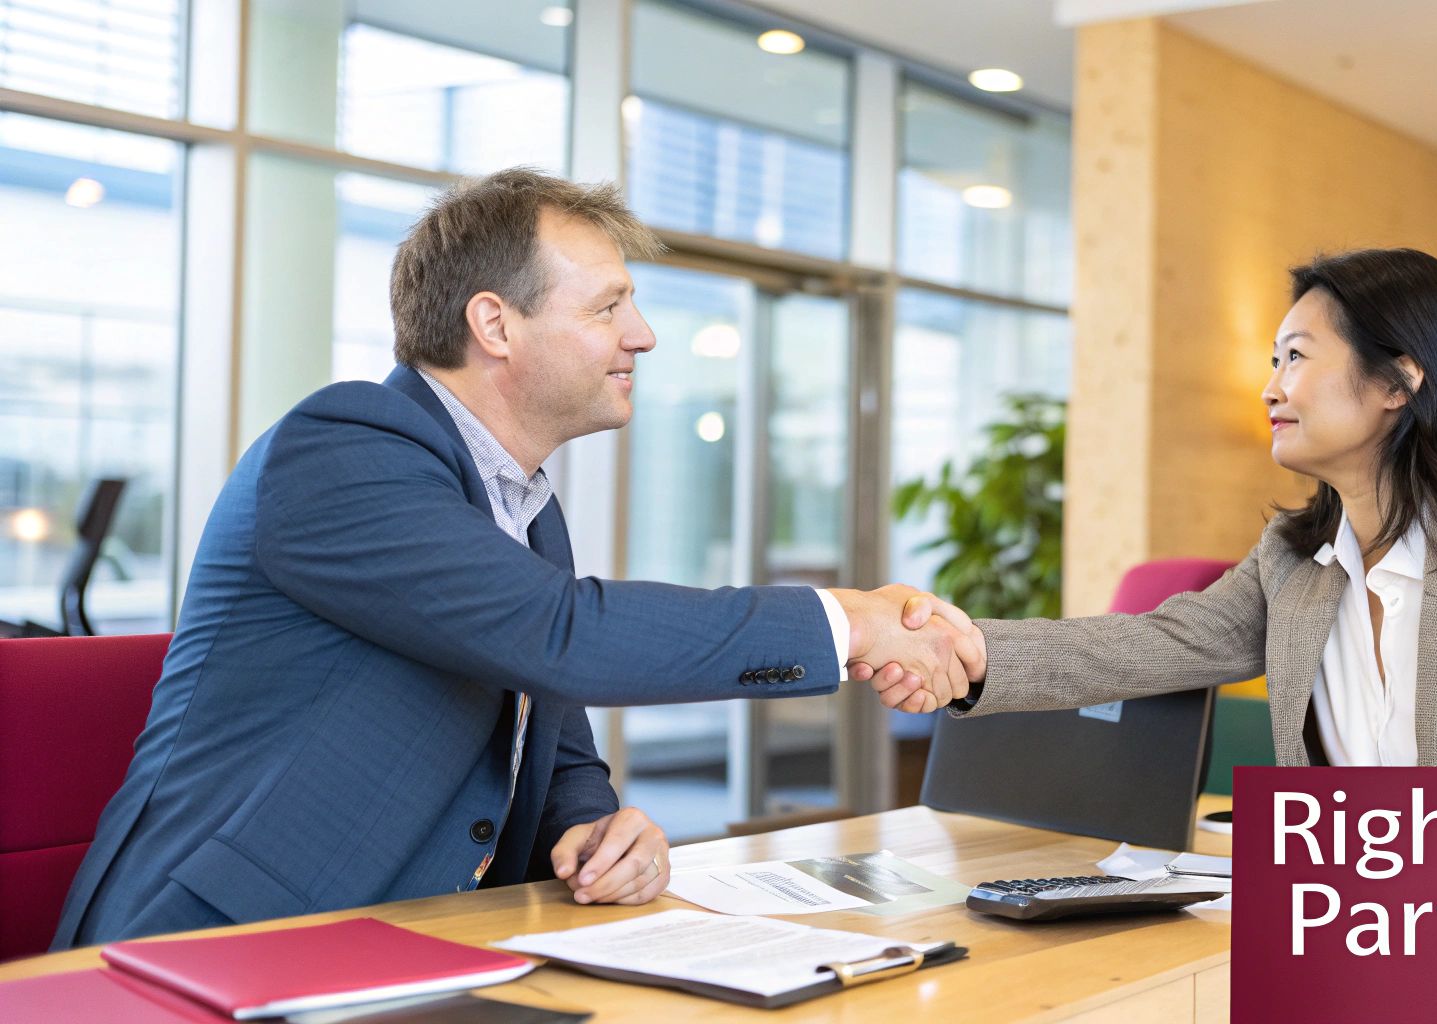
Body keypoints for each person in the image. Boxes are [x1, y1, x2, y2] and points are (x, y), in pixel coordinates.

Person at [55, 169, 970, 948]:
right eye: (608, 306)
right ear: (494, 324)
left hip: (425, 942)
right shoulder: (341, 449)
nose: (643, 334)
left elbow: (553, 738)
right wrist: (849, 621)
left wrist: (596, 829)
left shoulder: (525, 508)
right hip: (221, 943)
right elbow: (559, 635)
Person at [862, 248, 1437, 769]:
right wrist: (966, 654)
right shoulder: (1295, 559)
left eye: (1295, 357)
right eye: (1274, 361)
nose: (1269, 389)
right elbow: (1150, 645)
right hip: (1335, 915)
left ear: (1397, 382)